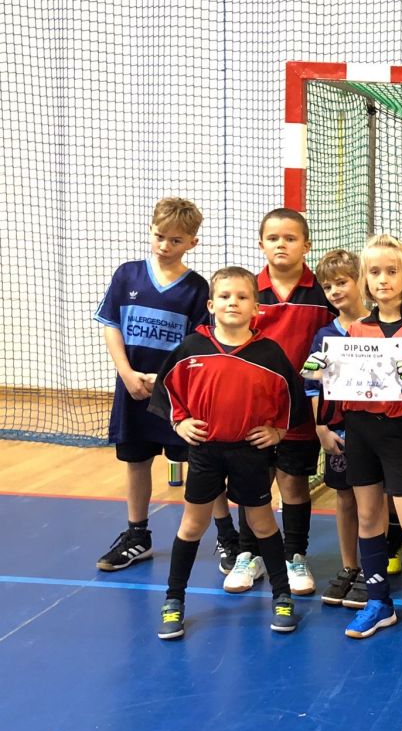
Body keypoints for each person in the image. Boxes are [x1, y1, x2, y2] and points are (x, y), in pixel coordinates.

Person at [304, 235, 402, 646]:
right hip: (360, 434)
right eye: (374, 272)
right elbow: (338, 393)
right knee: (369, 518)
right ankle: (379, 603)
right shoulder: (356, 330)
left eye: (392, 271)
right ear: (364, 279)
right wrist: (319, 374)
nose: (383, 279)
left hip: (398, 436)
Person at [149, 267, 308, 638]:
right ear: (211, 305)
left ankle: (282, 596)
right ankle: (173, 600)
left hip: (249, 453)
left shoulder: (269, 353)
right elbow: (166, 390)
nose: (232, 302)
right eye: (224, 296)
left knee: (262, 523)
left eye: (241, 297)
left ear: (256, 308)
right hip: (205, 452)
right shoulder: (192, 347)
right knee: (192, 525)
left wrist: (278, 430)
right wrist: (179, 423)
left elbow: (292, 398)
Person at [93, 198, 222, 572]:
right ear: (151, 231)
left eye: (176, 240)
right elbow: (111, 326)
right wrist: (127, 374)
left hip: (178, 394)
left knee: (201, 462)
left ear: (192, 243)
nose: (165, 245)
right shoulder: (128, 275)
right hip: (132, 388)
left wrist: (166, 380)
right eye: (159, 236)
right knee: (136, 461)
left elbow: (197, 345)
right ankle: (138, 535)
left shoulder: (197, 288)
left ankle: (227, 537)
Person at [225, 208, 334, 598]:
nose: (281, 245)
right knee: (252, 483)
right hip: (254, 410)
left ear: (307, 245)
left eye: (290, 238)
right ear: (261, 245)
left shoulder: (322, 293)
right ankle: (248, 554)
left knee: (293, 484)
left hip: (301, 411)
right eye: (273, 238)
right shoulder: (248, 292)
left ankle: (294, 555)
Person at [307, 249, 371, 607]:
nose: (334, 291)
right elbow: (312, 386)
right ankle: (350, 566)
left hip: (375, 431)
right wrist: (321, 428)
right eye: (328, 286)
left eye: (341, 282)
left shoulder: (379, 326)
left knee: (374, 502)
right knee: (345, 498)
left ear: (360, 281)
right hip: (340, 432)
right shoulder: (324, 335)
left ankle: (373, 570)